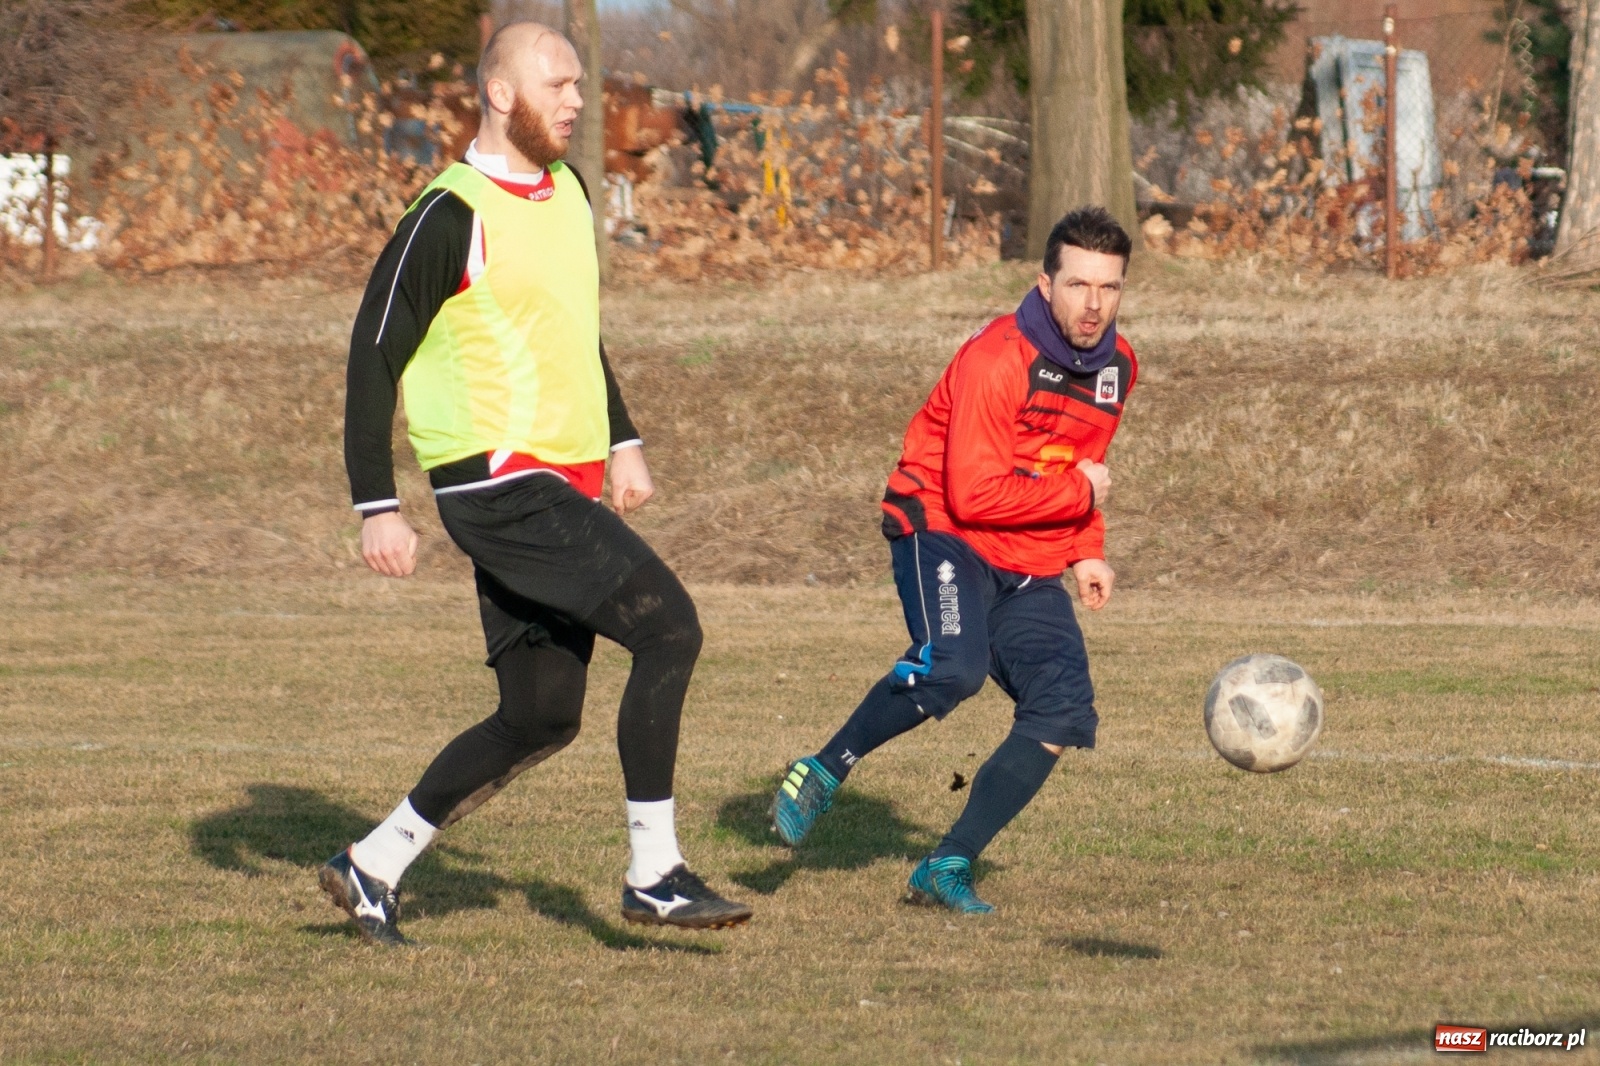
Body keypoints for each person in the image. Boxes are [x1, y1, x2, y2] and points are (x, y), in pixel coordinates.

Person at [320, 20, 751, 946]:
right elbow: (373, 352)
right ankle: (655, 872)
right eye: (556, 82)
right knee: (669, 629)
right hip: (497, 485)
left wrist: (622, 438)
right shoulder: (448, 213)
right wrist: (377, 505)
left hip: (561, 484)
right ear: (500, 92)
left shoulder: (565, 192)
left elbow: (569, 332)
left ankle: (372, 864)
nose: (576, 99)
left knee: (542, 714)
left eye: (580, 84)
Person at [771, 207, 1137, 914]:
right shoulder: (997, 358)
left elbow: (1084, 462)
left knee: (1060, 711)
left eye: (1109, 288)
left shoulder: (1118, 367)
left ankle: (946, 865)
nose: (1093, 305)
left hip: (1026, 553)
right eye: (1078, 285)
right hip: (941, 527)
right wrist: (1076, 496)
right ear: (1044, 284)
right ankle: (822, 769)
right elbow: (972, 495)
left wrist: (1086, 548)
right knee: (954, 667)